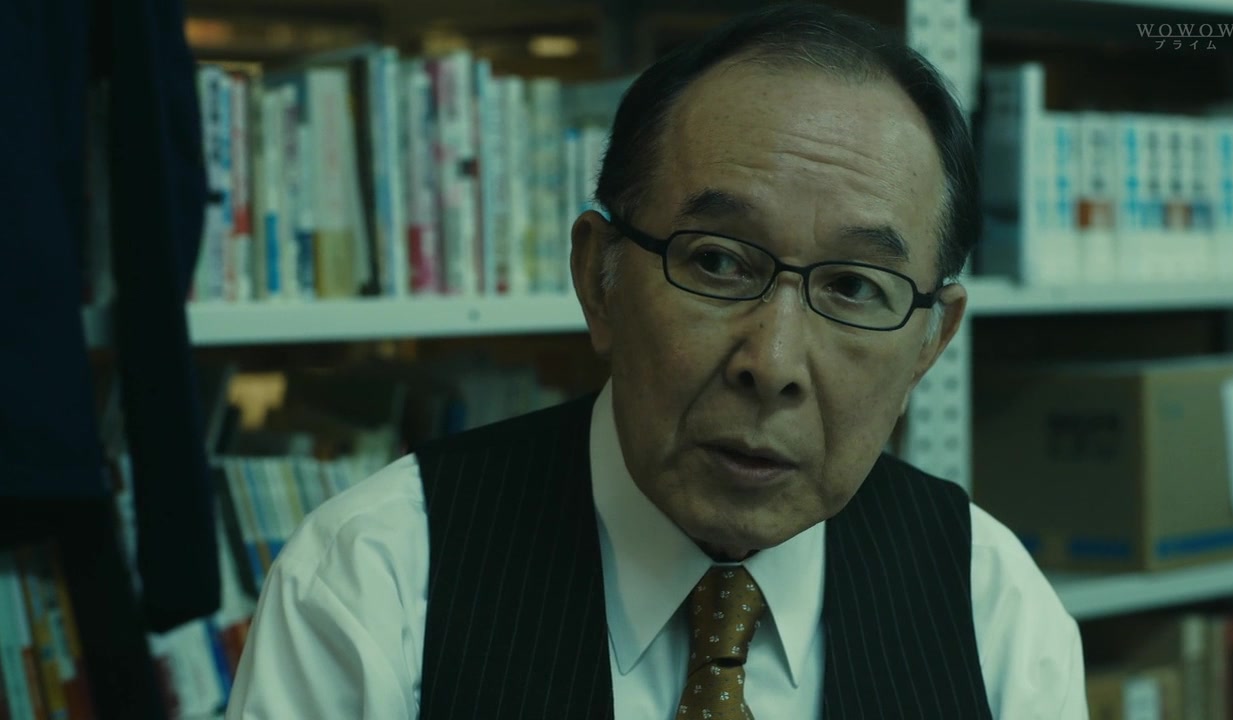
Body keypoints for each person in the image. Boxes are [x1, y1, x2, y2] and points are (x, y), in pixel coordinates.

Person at [226, 4, 1086, 718]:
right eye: (718, 261)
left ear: (931, 343)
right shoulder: (375, 579)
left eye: (855, 287)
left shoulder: (990, 605)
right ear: (597, 278)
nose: (773, 363)